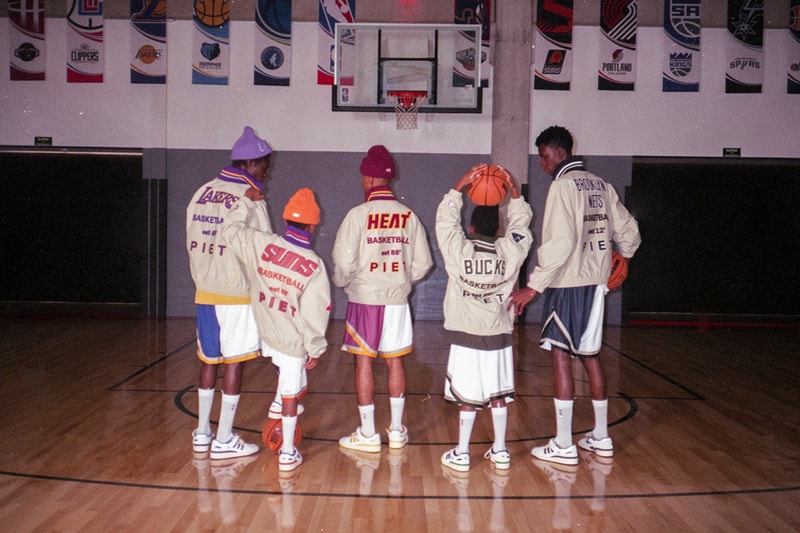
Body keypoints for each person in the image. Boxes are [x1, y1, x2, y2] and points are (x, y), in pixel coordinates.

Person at [507, 125, 641, 465]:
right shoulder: (601, 184)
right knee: (590, 356)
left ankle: (564, 443)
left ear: (560, 153)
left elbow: (560, 244)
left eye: (544, 157)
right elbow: (629, 231)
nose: (543, 164)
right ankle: (601, 436)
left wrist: (533, 285)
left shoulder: (563, 187)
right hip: (596, 284)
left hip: (567, 284)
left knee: (560, 355)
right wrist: (621, 257)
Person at [222, 187, 331, 472]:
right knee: (290, 394)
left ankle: (277, 406)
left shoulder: (260, 244)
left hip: (266, 333)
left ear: (285, 221)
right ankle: (287, 453)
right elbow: (315, 314)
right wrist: (315, 348)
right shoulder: (314, 266)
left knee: (291, 382)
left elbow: (230, 229)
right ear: (312, 225)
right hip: (292, 340)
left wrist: (246, 201)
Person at [332, 144, 433, 453]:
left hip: (365, 299)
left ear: (367, 178)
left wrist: (346, 283)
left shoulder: (357, 215)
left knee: (363, 362)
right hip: (397, 300)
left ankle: (367, 434)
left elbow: (342, 262)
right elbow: (424, 263)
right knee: (395, 363)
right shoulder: (408, 215)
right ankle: (398, 431)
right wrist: (400, 280)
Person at [436, 164, 533, 472]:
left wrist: (458, 187)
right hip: (498, 336)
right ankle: (501, 451)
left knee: (469, 397)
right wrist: (515, 196)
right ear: (499, 230)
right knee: (497, 394)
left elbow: (445, 222)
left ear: (472, 229)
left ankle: (462, 453)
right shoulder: (510, 251)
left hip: (465, 337)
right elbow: (523, 228)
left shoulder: (458, 251)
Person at [186, 126, 273, 460]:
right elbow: (262, 250)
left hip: (205, 291)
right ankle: (224, 438)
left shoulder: (202, 192)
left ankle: (202, 433)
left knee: (209, 360)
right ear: (249, 163)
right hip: (237, 293)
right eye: (264, 165)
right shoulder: (251, 199)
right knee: (235, 362)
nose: (267, 171)